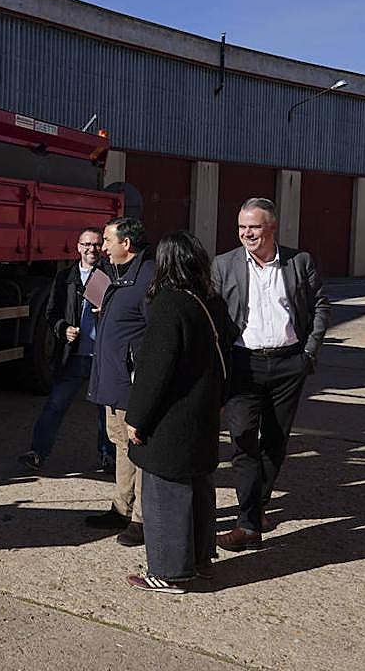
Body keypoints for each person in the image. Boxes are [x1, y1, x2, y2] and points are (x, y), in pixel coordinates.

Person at [212, 197, 330, 551]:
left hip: (288, 364)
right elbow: (214, 315)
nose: (247, 233)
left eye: (254, 227)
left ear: (272, 228)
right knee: (243, 439)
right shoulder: (224, 264)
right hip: (243, 365)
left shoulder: (299, 262)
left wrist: (309, 352)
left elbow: (320, 305)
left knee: (275, 441)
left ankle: (257, 506)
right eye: (242, 227)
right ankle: (248, 523)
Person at [123, 231, 236, 594]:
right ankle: (201, 562)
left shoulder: (169, 305)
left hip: (171, 421)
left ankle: (170, 573)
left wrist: (136, 418)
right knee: (200, 490)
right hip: (202, 415)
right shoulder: (211, 303)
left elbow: (156, 371)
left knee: (164, 495)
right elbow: (230, 355)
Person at [85, 216, 155, 546]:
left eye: (108, 241)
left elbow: (155, 335)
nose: (103, 246)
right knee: (120, 446)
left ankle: (141, 518)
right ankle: (121, 507)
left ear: (126, 244)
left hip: (132, 385)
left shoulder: (148, 278)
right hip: (112, 381)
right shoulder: (113, 274)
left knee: (138, 451)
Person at [18, 227, 109, 473]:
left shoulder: (110, 276)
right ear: (78, 247)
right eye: (87, 244)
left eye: (97, 245)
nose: (92, 249)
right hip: (75, 355)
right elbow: (51, 314)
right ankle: (38, 452)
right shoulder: (65, 278)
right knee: (56, 405)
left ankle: (107, 457)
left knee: (106, 413)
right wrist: (63, 329)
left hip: (102, 357)